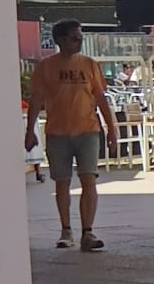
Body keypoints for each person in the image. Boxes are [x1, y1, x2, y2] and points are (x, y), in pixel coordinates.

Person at [25, 20, 118, 251]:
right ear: (61, 40)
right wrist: (30, 130)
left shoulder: (89, 64)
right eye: (75, 38)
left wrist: (111, 129)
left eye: (80, 38)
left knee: (89, 179)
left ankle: (88, 231)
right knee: (62, 183)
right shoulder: (46, 67)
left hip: (87, 130)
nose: (79, 41)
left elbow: (100, 98)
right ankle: (66, 230)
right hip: (57, 132)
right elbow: (36, 99)